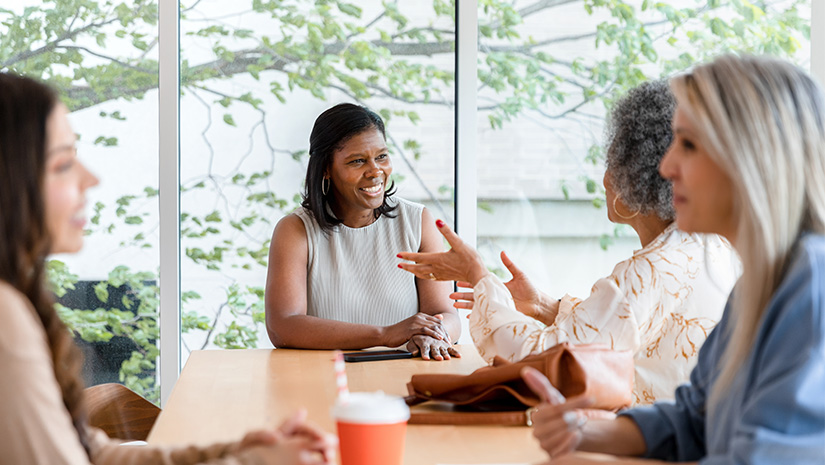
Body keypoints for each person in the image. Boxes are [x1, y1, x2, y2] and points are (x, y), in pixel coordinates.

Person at [0, 72, 337, 464]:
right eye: (62, 164)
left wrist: (237, 450)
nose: (90, 178)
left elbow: (92, 453)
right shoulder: (6, 316)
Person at [519, 54, 825, 464]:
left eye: (689, 144)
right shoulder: (757, 287)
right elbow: (694, 422)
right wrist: (587, 432)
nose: (667, 166)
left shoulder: (813, 289)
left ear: (750, 157)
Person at [399, 81, 738, 403]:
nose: (604, 178)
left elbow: (541, 361)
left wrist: (479, 275)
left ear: (633, 179)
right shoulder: (710, 247)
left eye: (611, 162)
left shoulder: (646, 272)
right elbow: (624, 325)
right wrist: (543, 305)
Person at [264, 103, 460, 360]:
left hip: (405, 373)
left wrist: (433, 332)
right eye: (357, 161)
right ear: (326, 168)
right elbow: (283, 326)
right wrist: (385, 334)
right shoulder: (296, 230)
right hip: (323, 380)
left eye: (381, 157)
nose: (376, 171)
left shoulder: (417, 221)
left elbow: (446, 315)